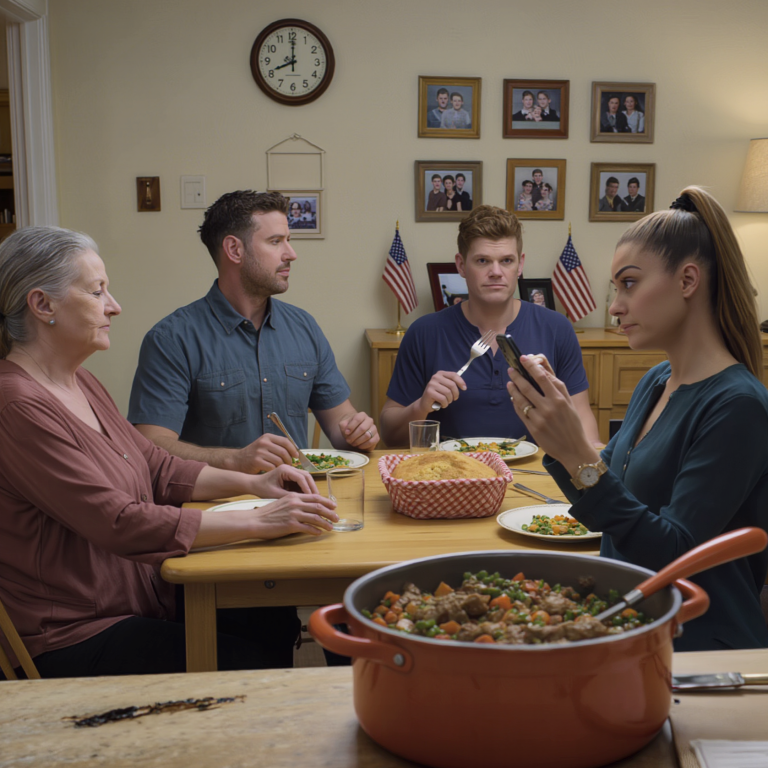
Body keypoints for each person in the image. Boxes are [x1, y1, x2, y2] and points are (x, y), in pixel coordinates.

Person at [0, 226, 340, 678]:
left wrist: (254, 483)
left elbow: (155, 465)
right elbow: (117, 521)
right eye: (97, 291)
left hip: (140, 595)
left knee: (268, 615)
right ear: (42, 305)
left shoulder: (79, 381)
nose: (114, 306)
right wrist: (258, 520)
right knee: (253, 666)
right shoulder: (17, 406)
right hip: (74, 632)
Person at [505, 186, 768, 652]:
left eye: (629, 284)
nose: (615, 306)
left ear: (688, 281)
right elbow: (608, 504)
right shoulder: (657, 381)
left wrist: (579, 454)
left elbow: (673, 555)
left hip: (699, 645)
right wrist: (557, 439)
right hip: (632, 624)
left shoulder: (738, 405)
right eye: (615, 288)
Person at [128, 191, 378, 474]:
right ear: (234, 250)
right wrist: (234, 460)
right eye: (275, 242)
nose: (291, 254)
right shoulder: (171, 339)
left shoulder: (304, 327)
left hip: (298, 499)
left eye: (288, 240)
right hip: (216, 506)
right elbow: (150, 445)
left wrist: (357, 430)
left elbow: (340, 421)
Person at [379, 205, 600, 447]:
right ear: (461, 265)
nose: (496, 272)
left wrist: (592, 470)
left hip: (537, 476)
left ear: (520, 264)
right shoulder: (424, 332)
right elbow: (390, 436)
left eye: (506, 260)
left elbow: (583, 424)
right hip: (449, 476)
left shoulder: (557, 328)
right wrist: (421, 406)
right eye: (482, 261)